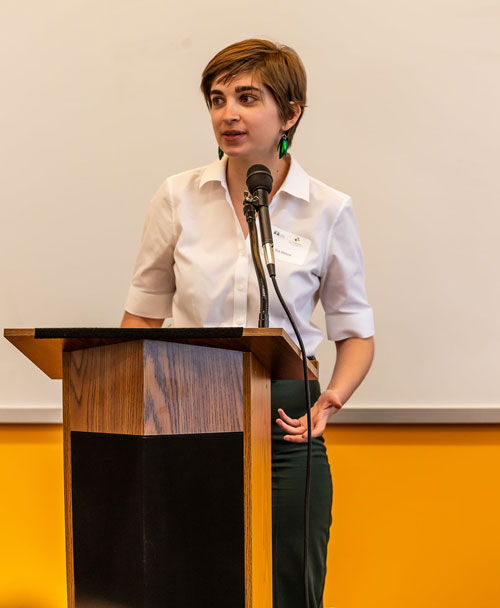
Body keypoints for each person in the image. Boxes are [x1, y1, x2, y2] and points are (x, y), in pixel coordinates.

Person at [121, 39, 374, 608]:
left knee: (295, 581)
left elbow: (355, 332)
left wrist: (330, 398)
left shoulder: (328, 208)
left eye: (247, 97)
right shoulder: (178, 196)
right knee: (188, 576)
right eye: (217, 99)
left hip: (289, 413)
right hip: (189, 405)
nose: (227, 113)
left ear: (290, 112)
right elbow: (142, 313)